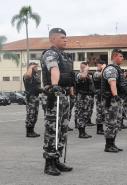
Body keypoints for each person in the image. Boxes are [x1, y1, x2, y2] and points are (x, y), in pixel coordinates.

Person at [41, 28, 73, 176]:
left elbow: (68, 75)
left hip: (64, 95)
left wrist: (70, 91)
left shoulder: (64, 56)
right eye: (62, 37)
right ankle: (49, 163)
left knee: (63, 129)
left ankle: (57, 159)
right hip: (54, 96)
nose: (65, 40)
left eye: (66, 37)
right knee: (53, 130)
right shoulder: (50, 54)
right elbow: (54, 69)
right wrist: (55, 87)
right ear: (52, 39)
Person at [101, 49, 127, 152]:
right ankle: (108, 145)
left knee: (116, 122)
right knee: (111, 122)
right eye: (121, 56)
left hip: (116, 99)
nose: (123, 58)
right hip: (112, 99)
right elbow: (112, 83)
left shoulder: (117, 69)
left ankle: (112, 144)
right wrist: (116, 95)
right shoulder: (111, 69)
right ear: (114, 56)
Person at [75, 62, 94, 138]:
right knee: (81, 114)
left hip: (88, 96)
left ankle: (83, 131)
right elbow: (83, 76)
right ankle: (81, 132)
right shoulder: (79, 74)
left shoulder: (88, 76)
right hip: (82, 97)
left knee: (86, 114)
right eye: (84, 67)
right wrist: (85, 69)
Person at [23, 61, 42, 137]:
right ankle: (29, 132)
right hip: (30, 97)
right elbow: (27, 76)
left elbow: (37, 87)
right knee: (30, 114)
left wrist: (43, 90)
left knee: (35, 114)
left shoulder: (36, 75)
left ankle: (32, 130)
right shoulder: (27, 75)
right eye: (36, 67)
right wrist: (30, 67)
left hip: (36, 97)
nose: (37, 68)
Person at [93, 59, 106, 135]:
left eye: (99, 65)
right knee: (100, 112)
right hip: (99, 95)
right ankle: (99, 129)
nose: (98, 66)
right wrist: (104, 68)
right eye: (97, 65)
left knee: (103, 112)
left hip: (103, 95)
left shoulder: (102, 71)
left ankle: (101, 128)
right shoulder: (96, 73)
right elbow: (102, 75)